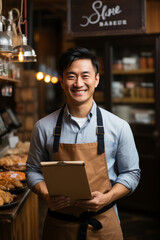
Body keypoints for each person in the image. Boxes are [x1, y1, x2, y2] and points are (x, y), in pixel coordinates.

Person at [26, 47, 140, 240]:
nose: (78, 83)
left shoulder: (119, 126)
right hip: (58, 226)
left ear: (96, 80)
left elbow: (132, 173)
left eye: (85, 76)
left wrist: (107, 198)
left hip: (104, 225)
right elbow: (32, 170)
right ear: (61, 81)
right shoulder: (43, 127)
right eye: (71, 76)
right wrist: (46, 196)